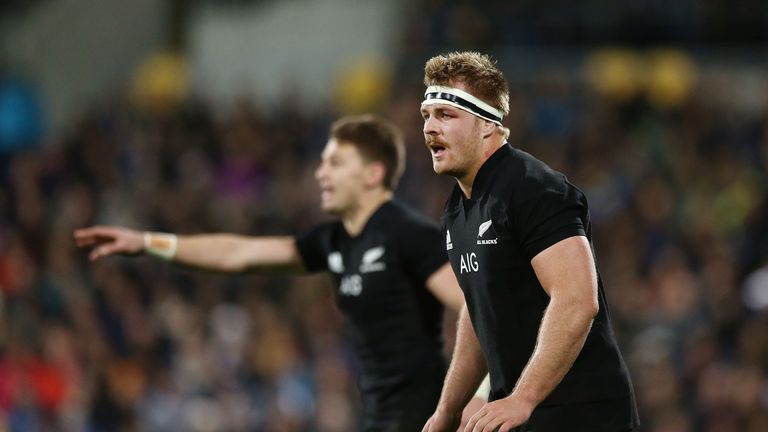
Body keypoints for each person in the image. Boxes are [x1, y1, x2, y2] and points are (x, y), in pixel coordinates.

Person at [75, 114, 470, 432]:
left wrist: (480, 395)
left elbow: (476, 309)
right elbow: (240, 253)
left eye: (336, 163)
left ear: (373, 175)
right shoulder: (333, 241)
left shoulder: (408, 235)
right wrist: (148, 242)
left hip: (425, 418)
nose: (321, 174)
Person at [419, 52, 640, 432]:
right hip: (519, 415)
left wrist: (523, 398)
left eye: (446, 115)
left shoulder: (533, 188)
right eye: (427, 115)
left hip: (581, 416)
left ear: (488, 125)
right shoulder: (458, 209)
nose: (430, 128)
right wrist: (447, 411)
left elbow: (576, 299)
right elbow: (479, 310)